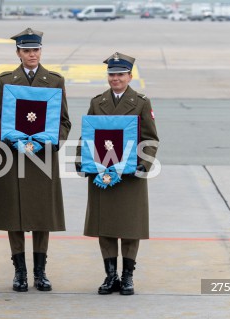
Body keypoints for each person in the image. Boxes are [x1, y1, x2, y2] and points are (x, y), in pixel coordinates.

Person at [0, 28, 71, 292]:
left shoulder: (54, 81)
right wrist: (7, 138)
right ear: (18, 53)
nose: (32, 55)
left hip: (43, 159)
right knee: (15, 216)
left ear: (41, 51)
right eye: (26, 50)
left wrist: (52, 141)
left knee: (42, 217)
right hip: (13, 158)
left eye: (36, 50)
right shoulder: (6, 80)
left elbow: (64, 122)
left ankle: (40, 272)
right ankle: (19, 272)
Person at [76, 52, 159, 295]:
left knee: (130, 227)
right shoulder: (98, 101)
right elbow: (87, 134)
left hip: (130, 176)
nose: (115, 78)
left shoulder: (141, 102)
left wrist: (143, 163)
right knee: (106, 225)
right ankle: (110, 275)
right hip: (102, 174)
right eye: (112, 74)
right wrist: (81, 160)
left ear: (130, 77)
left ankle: (128, 276)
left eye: (120, 74)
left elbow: (151, 137)